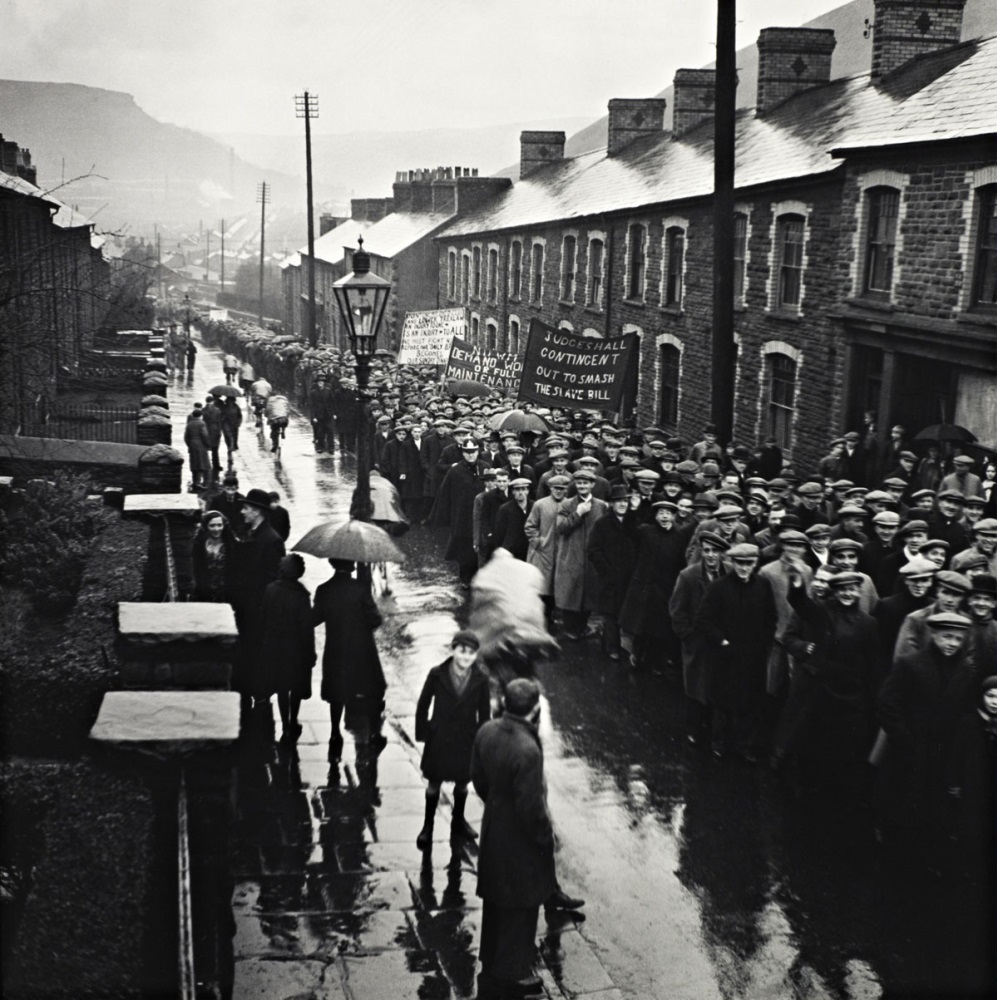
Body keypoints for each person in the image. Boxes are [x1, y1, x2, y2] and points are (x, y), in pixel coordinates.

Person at [471, 677, 555, 1000]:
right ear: (534, 710)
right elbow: (531, 809)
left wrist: (496, 802)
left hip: (494, 824)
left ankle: (490, 960)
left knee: (495, 898)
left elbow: (477, 778)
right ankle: (513, 972)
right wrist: (545, 838)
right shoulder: (528, 748)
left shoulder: (487, 730)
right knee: (521, 905)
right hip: (520, 838)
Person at [876, 612, 978, 866]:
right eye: (946, 637)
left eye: (957, 638)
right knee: (901, 797)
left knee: (931, 802)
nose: (952, 643)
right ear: (933, 635)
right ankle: (889, 845)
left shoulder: (966, 669)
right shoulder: (911, 663)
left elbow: (965, 709)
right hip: (909, 746)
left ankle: (921, 850)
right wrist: (904, 738)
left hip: (943, 749)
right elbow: (888, 703)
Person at [695, 542, 777, 763]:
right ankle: (719, 743)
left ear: (755, 564)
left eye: (749, 563)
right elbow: (703, 620)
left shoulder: (763, 585)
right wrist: (721, 641)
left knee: (750, 701)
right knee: (723, 701)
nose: (743, 568)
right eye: (739, 563)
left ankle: (745, 745)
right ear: (731, 563)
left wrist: (764, 644)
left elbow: (771, 618)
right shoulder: (719, 587)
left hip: (753, 656)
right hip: (725, 656)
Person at [415, 629, 492, 850]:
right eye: (462, 651)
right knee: (434, 783)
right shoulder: (437, 674)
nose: (466, 657)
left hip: (465, 739)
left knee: (462, 783)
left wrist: (481, 741)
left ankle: (458, 822)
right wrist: (425, 733)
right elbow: (423, 705)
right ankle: (427, 827)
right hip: (440, 738)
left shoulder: (481, 679)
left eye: (471, 653)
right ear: (453, 650)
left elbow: (485, 714)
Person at [312, 558, 387, 752]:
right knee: (369, 689)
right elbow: (374, 620)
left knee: (336, 693)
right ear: (351, 565)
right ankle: (372, 733)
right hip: (361, 650)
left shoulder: (324, 590)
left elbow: (314, 619)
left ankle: (335, 732)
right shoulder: (361, 589)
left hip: (335, 650)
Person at [670, 531, 729, 745]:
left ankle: (716, 732)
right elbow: (677, 612)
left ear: (722, 554)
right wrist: (689, 638)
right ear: (702, 552)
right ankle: (694, 729)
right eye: (707, 551)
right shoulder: (688, 576)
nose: (711, 555)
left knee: (719, 687)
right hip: (697, 644)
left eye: (715, 551)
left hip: (722, 643)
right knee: (696, 687)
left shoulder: (729, 573)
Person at [620, 499, 688, 675]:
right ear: (655, 516)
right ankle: (637, 653)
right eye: (661, 513)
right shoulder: (645, 531)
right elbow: (627, 531)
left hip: (666, 588)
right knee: (641, 626)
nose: (664, 517)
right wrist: (632, 510)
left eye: (668, 513)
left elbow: (681, 563)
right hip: (645, 587)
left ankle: (654, 661)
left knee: (660, 628)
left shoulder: (679, 537)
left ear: (674, 516)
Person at [232, 489, 286, 700]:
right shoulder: (253, 534)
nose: (242, 512)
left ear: (256, 512)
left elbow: (274, 578)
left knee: (257, 650)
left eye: (246, 508)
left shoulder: (271, 540)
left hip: (259, 608)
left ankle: (259, 694)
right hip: (248, 606)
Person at [256, 554, 316, 743]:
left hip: (274, 647)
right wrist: (311, 653)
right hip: (295, 649)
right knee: (295, 687)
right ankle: (293, 720)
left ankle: (285, 723)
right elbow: (307, 628)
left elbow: (263, 619)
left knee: (282, 687)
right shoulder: (301, 595)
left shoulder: (270, 589)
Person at [553, 469, 608, 641]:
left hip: (591, 557)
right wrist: (578, 513)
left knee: (589, 593)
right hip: (571, 555)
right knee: (571, 592)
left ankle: (583, 627)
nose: (582, 486)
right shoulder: (567, 504)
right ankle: (570, 628)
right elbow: (560, 527)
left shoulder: (601, 506)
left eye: (586, 483)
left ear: (592, 485)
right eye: (579, 483)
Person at [587, 485, 638, 661]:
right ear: (611, 504)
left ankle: (617, 644)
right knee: (611, 614)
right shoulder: (602, 524)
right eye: (619, 501)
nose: (623, 504)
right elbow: (593, 550)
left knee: (626, 612)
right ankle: (612, 648)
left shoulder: (633, 522)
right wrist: (606, 572)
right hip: (610, 578)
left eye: (625, 501)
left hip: (630, 578)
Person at [190, 510, 237, 603]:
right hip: (205, 591)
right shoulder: (199, 545)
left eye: (219, 525)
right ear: (206, 527)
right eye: (212, 525)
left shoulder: (231, 544)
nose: (216, 529)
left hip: (226, 590)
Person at [183, 408, 211, 490]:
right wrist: (208, 445)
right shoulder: (202, 423)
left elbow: (186, 437)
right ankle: (204, 482)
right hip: (201, 445)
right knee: (204, 463)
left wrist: (189, 445)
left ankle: (195, 481)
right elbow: (204, 435)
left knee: (194, 463)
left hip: (192, 445)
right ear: (200, 415)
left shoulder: (189, 424)